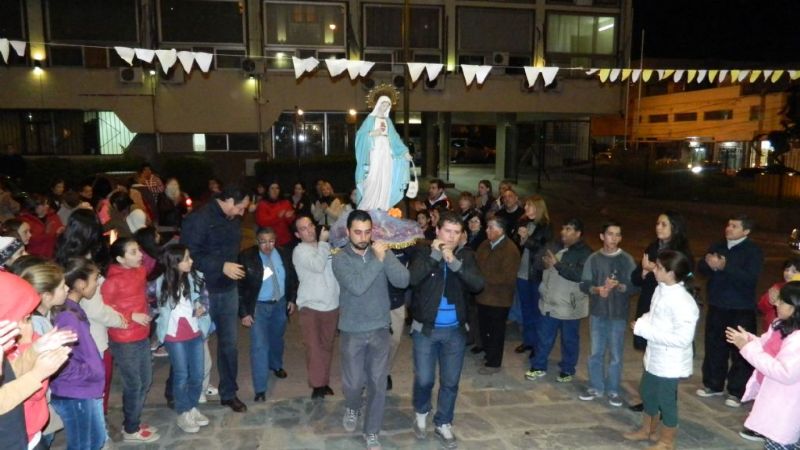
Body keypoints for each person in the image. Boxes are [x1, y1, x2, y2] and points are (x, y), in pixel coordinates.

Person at [333, 210, 409, 450]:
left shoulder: (379, 252)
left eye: (367, 232)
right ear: (348, 232)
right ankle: (353, 406)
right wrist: (377, 260)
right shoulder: (339, 259)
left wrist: (386, 256)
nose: (363, 237)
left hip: (378, 328)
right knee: (353, 383)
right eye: (358, 232)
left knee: (377, 383)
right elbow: (357, 286)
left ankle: (372, 431)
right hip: (352, 330)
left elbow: (403, 280)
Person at [408, 211, 484, 448]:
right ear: (437, 230)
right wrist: (435, 255)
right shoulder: (422, 251)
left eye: (456, 232)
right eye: (447, 231)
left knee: (450, 381)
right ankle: (421, 411)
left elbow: (478, 284)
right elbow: (411, 279)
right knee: (425, 379)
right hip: (426, 330)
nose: (451, 237)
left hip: (454, 332)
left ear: (461, 235)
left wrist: (454, 262)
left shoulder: (466, 256)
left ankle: (443, 422)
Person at [181, 185, 250, 413]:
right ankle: (180, 393)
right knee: (192, 341)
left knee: (229, 346)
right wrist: (221, 266)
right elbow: (189, 256)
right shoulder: (199, 219)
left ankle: (229, 393)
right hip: (203, 291)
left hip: (228, 291)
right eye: (240, 208)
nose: (242, 213)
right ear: (228, 200)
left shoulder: (232, 220)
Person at [624, 250, 699, 450]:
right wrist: (643, 321)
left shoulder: (684, 302)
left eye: (658, 267)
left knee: (666, 401)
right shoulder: (661, 288)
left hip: (670, 361)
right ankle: (647, 429)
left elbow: (683, 339)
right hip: (655, 356)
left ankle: (667, 440)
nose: (653, 269)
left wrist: (645, 330)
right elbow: (654, 314)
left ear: (671, 273)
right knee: (647, 392)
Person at [55, 209, 127, 415]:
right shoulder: (84, 264)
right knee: (98, 389)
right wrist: (120, 319)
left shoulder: (64, 255)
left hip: (75, 333)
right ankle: (100, 436)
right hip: (93, 336)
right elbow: (95, 309)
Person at [0, 271, 77, 449]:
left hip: (26, 435)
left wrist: (35, 349)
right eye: (25, 318)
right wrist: (38, 374)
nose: (29, 323)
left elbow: (11, 375)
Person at [696, 214, 763, 408]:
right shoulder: (718, 246)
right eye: (728, 224)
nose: (729, 228)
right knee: (714, 346)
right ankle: (713, 384)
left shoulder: (753, 251)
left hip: (741, 308)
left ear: (746, 231)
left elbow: (750, 278)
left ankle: (737, 390)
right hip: (717, 305)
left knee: (740, 351)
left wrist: (726, 266)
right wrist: (707, 264)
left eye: (734, 226)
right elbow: (701, 270)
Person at [727, 281, 800, 450]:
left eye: (781, 301)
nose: (776, 304)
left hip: (788, 405)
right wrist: (749, 340)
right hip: (776, 400)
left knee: (781, 442)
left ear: (794, 307)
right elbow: (766, 345)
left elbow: (785, 373)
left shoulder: (798, 339)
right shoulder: (780, 325)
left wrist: (746, 348)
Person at [102, 238, 159, 443]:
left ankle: (132, 420)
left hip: (142, 334)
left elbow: (143, 293)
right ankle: (131, 429)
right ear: (120, 258)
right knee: (134, 383)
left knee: (145, 380)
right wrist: (130, 315)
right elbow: (104, 310)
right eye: (133, 252)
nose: (140, 255)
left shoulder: (140, 271)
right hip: (124, 338)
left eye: (139, 250)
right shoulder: (111, 282)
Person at [151, 244, 212, 433]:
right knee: (181, 374)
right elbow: (151, 304)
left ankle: (192, 407)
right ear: (175, 262)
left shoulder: (195, 277)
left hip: (195, 332)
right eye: (186, 258)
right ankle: (183, 412)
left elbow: (205, 298)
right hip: (173, 335)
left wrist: (203, 306)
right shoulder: (160, 283)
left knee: (198, 373)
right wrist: (152, 321)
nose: (191, 261)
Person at [578, 221, 638, 407]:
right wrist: (597, 290)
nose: (614, 238)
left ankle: (613, 389)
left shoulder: (627, 260)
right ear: (602, 236)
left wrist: (620, 286)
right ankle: (596, 386)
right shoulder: (593, 259)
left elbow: (635, 286)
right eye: (610, 234)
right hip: (598, 312)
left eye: (617, 234)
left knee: (616, 354)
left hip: (618, 314)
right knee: (596, 352)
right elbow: (584, 284)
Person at [51, 258, 108, 450]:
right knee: (83, 445)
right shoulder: (67, 315)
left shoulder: (74, 308)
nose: (98, 282)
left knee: (96, 440)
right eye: (95, 278)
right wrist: (89, 372)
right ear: (81, 284)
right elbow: (60, 360)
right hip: (75, 392)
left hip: (85, 389)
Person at [526, 218, 592, 383]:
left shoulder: (584, 252)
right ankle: (538, 366)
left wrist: (557, 265)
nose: (564, 232)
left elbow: (579, 275)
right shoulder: (554, 245)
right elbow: (537, 262)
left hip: (570, 306)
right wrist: (543, 263)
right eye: (563, 228)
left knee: (569, 340)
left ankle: (568, 369)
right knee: (544, 337)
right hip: (550, 301)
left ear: (578, 233)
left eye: (569, 229)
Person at [238, 227, 297, 402]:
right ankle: (260, 388)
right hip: (258, 307)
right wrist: (244, 313)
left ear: (275, 240)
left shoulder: (283, 253)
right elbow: (240, 288)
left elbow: (291, 278)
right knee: (259, 346)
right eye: (263, 241)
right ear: (257, 241)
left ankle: (276, 365)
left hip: (279, 303)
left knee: (277, 338)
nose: (267, 246)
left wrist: (292, 299)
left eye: (271, 241)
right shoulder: (247, 257)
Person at [15, 260, 68, 448]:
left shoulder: (42, 317)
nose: (67, 288)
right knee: (44, 439)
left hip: (38, 406)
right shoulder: (35, 324)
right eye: (63, 286)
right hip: (33, 411)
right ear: (46, 295)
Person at [292, 216, 340, 399]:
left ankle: (323, 382)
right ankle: (317, 386)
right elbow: (318, 265)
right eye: (303, 228)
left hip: (332, 304)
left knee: (327, 346)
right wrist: (322, 242)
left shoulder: (326, 246)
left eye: (311, 225)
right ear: (298, 234)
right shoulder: (299, 251)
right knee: (314, 348)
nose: (309, 230)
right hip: (310, 305)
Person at [474, 216, 520, 374]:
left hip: (499, 299)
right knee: (484, 329)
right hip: (483, 297)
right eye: (487, 227)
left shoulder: (510, 250)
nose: (487, 230)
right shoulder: (485, 245)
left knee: (496, 332)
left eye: (490, 227)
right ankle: (489, 355)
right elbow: (476, 262)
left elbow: (507, 277)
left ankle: (494, 363)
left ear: (500, 230)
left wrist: (483, 278)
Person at [354, 95, 412, 211]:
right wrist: (371, 133)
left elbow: (395, 138)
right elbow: (360, 136)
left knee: (385, 176)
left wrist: (404, 152)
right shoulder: (370, 119)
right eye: (383, 104)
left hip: (386, 152)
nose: (385, 107)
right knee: (373, 177)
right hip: (374, 151)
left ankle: (382, 204)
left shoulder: (388, 121)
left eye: (387, 105)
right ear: (378, 104)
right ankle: (368, 204)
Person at [514, 195, 553, 355]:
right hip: (522, 273)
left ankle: (538, 345)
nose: (525, 209)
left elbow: (544, 250)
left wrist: (526, 238)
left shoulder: (546, 227)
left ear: (538, 208)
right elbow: (517, 245)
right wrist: (519, 237)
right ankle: (528, 341)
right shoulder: (523, 222)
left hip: (536, 274)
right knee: (525, 309)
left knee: (537, 310)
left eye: (529, 206)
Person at [757, 257, 800, 333]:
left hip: (792, 331)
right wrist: (769, 301)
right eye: (786, 270)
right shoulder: (777, 287)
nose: (788, 273)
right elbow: (761, 307)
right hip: (772, 329)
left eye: (794, 271)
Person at [255, 182, 296, 247]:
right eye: (272, 188)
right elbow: (262, 222)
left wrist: (289, 217)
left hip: (285, 239)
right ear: (268, 191)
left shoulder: (286, 202)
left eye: (277, 188)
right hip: (269, 241)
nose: (275, 191)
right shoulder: (262, 204)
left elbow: (291, 221)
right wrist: (278, 217)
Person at [157, 177, 188, 242]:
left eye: (175, 185)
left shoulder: (181, 196)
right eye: (171, 185)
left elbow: (184, 211)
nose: (173, 187)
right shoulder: (162, 196)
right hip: (166, 227)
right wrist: (175, 204)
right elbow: (162, 210)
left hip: (178, 226)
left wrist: (182, 201)